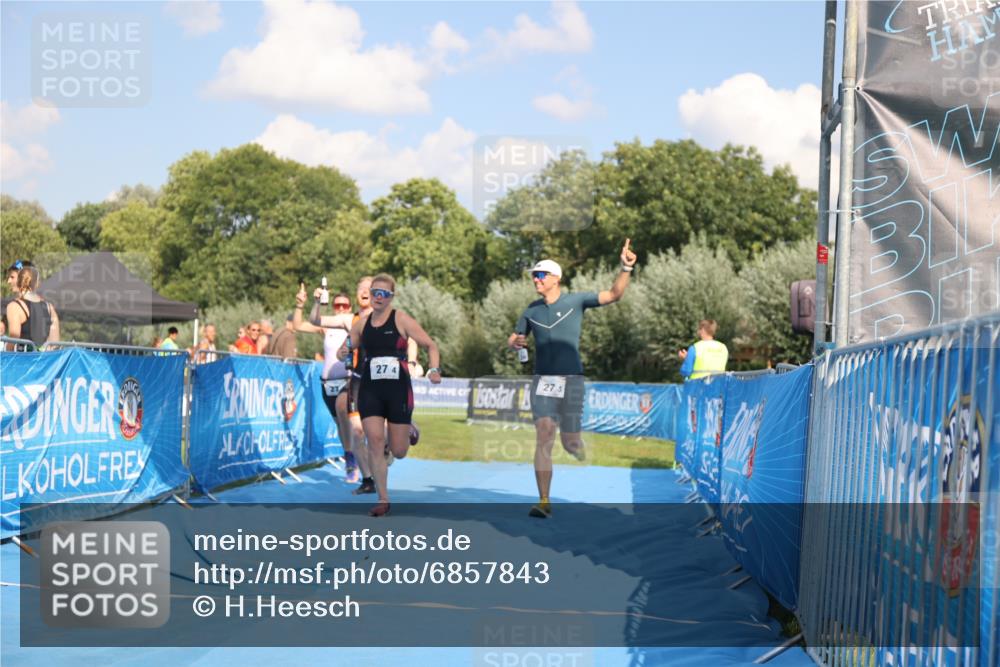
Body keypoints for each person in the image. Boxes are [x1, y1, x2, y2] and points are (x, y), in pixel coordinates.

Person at [508, 240, 637, 518]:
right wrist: (515, 342)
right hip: (543, 380)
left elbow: (614, 294)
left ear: (556, 278)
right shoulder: (531, 310)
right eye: (533, 275)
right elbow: (514, 337)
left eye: (540, 275)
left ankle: (577, 448)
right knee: (544, 434)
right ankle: (544, 500)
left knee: (570, 443)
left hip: (572, 380)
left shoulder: (576, 301)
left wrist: (626, 267)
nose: (535, 279)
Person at [338, 273, 441, 517]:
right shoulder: (362, 324)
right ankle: (383, 499)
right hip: (370, 390)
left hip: (398, 391)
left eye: (384, 294)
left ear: (391, 297)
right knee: (373, 442)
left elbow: (431, 345)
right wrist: (343, 351)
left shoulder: (401, 319)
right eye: (375, 292)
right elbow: (346, 346)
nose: (378, 297)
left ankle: (410, 430)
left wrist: (434, 369)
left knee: (399, 451)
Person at [294, 286, 370, 486]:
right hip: (327, 383)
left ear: (350, 307)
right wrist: (300, 305)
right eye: (337, 305)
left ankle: (354, 459)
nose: (341, 308)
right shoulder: (326, 328)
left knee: (345, 411)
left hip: (348, 380)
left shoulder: (352, 324)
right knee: (340, 423)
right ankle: (350, 455)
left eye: (344, 305)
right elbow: (298, 325)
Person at [5, 265, 60, 348]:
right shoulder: (49, 308)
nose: (9, 281)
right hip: (44, 356)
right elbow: (55, 344)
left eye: (12, 277)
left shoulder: (14, 307)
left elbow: (13, 341)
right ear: (37, 284)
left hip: (22, 356)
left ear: (19, 281)